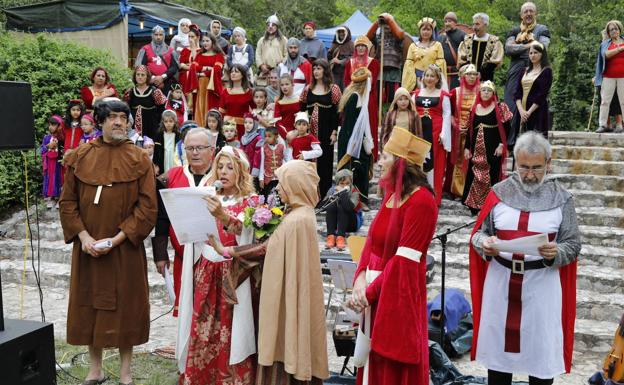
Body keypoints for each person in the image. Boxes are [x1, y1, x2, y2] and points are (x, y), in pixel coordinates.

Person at [469, 131, 580, 385]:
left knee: (541, 358)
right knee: (498, 360)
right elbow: (479, 234)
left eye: (537, 168)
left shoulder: (562, 199)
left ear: (548, 163)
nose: (529, 175)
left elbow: (573, 244)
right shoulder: (498, 193)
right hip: (500, 285)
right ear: (515, 163)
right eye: (524, 167)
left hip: (542, 286)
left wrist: (557, 252)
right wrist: (484, 244)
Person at [59, 98, 157, 385]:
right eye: (112, 117)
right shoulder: (80, 156)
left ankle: (126, 373)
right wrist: (85, 237)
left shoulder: (139, 159)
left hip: (124, 248)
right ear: (100, 122)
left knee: (127, 307)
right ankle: (95, 369)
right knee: (91, 305)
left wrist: (118, 238)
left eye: (122, 118)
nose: (118, 122)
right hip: (88, 249)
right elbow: (67, 203)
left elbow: (148, 207)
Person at [347, 126, 437, 385]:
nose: (379, 161)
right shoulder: (391, 195)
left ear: (401, 162)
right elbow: (371, 243)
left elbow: (404, 262)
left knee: (390, 364)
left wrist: (369, 292)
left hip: (396, 292)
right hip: (374, 289)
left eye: (385, 156)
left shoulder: (422, 202)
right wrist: (360, 278)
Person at [181, 146, 258, 384]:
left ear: (241, 172)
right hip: (207, 267)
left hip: (232, 272)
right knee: (204, 323)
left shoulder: (250, 200)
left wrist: (224, 216)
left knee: (230, 324)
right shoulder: (209, 195)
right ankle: (201, 375)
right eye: (220, 167)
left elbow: (246, 234)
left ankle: (228, 377)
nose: (223, 172)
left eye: (230, 168)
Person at [254, 160, 329, 384]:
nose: (277, 189)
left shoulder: (296, 221)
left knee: (287, 332)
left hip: (287, 295)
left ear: (295, 185)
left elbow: (266, 251)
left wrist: (231, 251)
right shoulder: (301, 214)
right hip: (292, 291)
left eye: (282, 184)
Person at [151, 127, 215, 319]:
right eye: (190, 148)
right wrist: (160, 254)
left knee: (213, 310)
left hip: (215, 258)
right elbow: (162, 217)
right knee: (187, 311)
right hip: (183, 256)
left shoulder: (222, 176)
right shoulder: (171, 177)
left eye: (200, 148)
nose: (194, 153)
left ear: (211, 149)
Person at [462, 81, 512, 214]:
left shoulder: (500, 107)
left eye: (488, 91)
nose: (485, 93)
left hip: (492, 150)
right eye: (483, 90)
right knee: (474, 175)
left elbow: (507, 127)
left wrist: (502, 145)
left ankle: (489, 206)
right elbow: (469, 130)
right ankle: (473, 207)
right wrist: (467, 147)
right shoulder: (474, 108)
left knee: (491, 175)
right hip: (476, 151)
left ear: (493, 93)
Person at [300, 59, 342, 198]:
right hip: (310, 133)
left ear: (325, 70)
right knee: (309, 163)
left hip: (326, 132)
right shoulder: (307, 89)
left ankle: (324, 195)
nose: (316, 71)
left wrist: (334, 132)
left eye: (319, 68)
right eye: (314, 69)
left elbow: (337, 113)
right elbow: (301, 110)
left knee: (325, 162)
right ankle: (310, 195)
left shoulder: (333, 89)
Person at [412, 64, 451, 206]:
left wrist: (444, 134)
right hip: (419, 131)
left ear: (437, 78)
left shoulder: (443, 95)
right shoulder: (415, 94)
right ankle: (418, 195)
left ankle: (434, 197)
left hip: (436, 132)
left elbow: (447, 115)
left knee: (436, 164)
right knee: (418, 163)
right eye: (427, 75)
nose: (429, 78)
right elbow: (411, 113)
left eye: (432, 76)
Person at [503, 2, 551, 120]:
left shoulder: (542, 29)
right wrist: (529, 45)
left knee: (535, 100)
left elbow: (543, 48)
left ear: (536, 14)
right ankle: (511, 138)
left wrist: (518, 48)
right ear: (521, 15)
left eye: (531, 11)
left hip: (536, 69)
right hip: (516, 68)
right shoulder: (514, 31)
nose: (528, 14)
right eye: (526, 11)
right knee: (511, 103)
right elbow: (508, 49)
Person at [338, 67, 374, 211]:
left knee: (359, 167)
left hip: (354, 137)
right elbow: (351, 123)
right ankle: (358, 201)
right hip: (352, 139)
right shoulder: (355, 97)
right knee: (358, 167)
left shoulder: (353, 95)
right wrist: (354, 144)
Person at [343, 35, 381, 162]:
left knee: (369, 124)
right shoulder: (350, 63)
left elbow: (372, 81)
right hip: (352, 97)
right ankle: (352, 151)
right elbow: (346, 81)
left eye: (363, 46)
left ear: (367, 48)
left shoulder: (374, 63)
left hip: (368, 97)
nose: (360, 48)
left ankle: (370, 154)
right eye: (358, 46)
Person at [447, 64, 480, 198]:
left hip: (474, 132)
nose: (472, 77)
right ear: (463, 76)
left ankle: (470, 189)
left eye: (474, 74)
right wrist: (456, 125)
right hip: (458, 132)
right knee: (458, 160)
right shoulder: (455, 92)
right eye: (469, 74)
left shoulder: (481, 91)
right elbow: (448, 113)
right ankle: (456, 190)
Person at [366, 13, 412, 103]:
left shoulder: (397, 38)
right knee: (378, 97)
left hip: (394, 70)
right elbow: (368, 36)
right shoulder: (378, 38)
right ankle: (380, 114)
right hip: (380, 70)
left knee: (392, 96)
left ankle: (391, 113)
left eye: (388, 25)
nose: (386, 26)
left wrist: (390, 20)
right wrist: (377, 23)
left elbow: (400, 35)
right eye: (384, 24)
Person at [511, 42, 553, 141]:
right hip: (521, 112)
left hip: (537, 111)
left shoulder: (546, 71)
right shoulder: (523, 71)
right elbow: (517, 92)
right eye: (530, 53)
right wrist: (521, 111)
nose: (532, 55)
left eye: (536, 53)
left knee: (536, 142)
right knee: (521, 141)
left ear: (542, 54)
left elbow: (541, 94)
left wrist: (528, 112)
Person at [402, 17, 447, 92]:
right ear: (420, 31)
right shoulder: (413, 46)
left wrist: (431, 76)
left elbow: (440, 63)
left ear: (432, 31)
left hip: (432, 79)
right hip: (416, 79)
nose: (426, 32)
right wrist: (415, 80)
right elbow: (409, 65)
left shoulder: (437, 45)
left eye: (428, 29)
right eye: (423, 29)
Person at [123, 65, 167, 140]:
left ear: (147, 77)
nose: (140, 77)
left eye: (143, 75)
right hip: (133, 127)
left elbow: (162, 109)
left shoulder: (155, 92)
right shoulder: (130, 92)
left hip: (151, 126)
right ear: (135, 76)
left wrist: (158, 125)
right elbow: (127, 109)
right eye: (138, 74)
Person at [595, 20, 624, 133]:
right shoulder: (605, 44)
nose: (613, 31)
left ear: (619, 29)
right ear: (608, 32)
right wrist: (620, 48)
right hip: (608, 76)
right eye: (611, 30)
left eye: (615, 28)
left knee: (623, 101)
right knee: (605, 101)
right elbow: (605, 55)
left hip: (623, 77)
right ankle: (602, 125)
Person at [457, 13, 504, 82]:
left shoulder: (494, 41)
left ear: (485, 25)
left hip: (486, 80)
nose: (474, 27)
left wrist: (481, 74)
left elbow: (494, 62)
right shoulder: (467, 40)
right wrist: (470, 74)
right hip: (467, 80)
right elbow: (462, 59)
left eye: (477, 24)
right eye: (473, 24)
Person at [323, 169, 362, 250]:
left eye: (347, 183)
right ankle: (331, 236)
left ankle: (341, 237)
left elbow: (348, 208)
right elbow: (323, 206)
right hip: (337, 223)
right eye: (342, 184)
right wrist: (331, 197)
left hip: (352, 223)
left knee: (342, 206)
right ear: (337, 183)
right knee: (331, 205)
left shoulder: (355, 192)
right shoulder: (332, 190)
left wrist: (342, 193)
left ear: (351, 182)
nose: (344, 186)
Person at [135, 25, 179, 94]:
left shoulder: (170, 50)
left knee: (165, 103)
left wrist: (162, 77)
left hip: (166, 83)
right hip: (149, 83)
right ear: (152, 35)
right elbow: (141, 66)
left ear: (164, 36)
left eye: (160, 35)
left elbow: (174, 67)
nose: (158, 37)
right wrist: (153, 78)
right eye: (156, 35)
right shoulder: (145, 49)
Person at [194, 32, 225, 127]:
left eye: (207, 41)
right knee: (200, 107)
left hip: (212, 86)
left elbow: (217, 70)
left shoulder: (218, 55)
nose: (205, 43)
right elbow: (193, 68)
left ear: (213, 42)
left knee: (211, 107)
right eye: (203, 41)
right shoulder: (199, 54)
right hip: (200, 85)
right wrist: (208, 68)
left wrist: (202, 71)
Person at [219, 64, 254, 139]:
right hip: (228, 128)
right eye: (231, 72)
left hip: (244, 128)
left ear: (242, 75)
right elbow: (221, 112)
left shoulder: (249, 92)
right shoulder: (225, 92)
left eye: (236, 72)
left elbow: (256, 110)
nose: (233, 73)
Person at [258, 126, 291, 197]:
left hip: (279, 178)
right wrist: (261, 179)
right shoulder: (263, 148)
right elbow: (262, 164)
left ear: (276, 137)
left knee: (281, 197)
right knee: (269, 198)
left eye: (269, 136)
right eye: (265, 136)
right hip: (268, 178)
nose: (266, 138)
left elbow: (286, 160)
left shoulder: (282, 147)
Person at [438, 12, 466, 89]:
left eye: (450, 21)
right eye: (445, 22)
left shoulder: (462, 35)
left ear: (455, 23)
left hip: (457, 74)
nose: (447, 24)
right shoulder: (440, 37)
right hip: (443, 74)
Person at [41, 115, 64, 208]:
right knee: (50, 179)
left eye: (53, 124)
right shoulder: (46, 138)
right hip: (50, 162)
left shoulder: (62, 138)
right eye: (49, 124)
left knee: (59, 179)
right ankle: (51, 198)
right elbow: (41, 150)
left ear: (59, 126)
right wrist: (47, 146)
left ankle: (60, 198)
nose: (50, 127)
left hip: (59, 163)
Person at [153, 109, 181, 175]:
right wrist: (156, 165)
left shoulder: (178, 134)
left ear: (175, 122)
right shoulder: (159, 134)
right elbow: (156, 150)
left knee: (174, 175)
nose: (168, 124)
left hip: (174, 158)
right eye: (166, 121)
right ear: (163, 122)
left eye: (171, 121)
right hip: (163, 159)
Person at [273, 73, 300, 139]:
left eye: (287, 84)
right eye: (282, 85)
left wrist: (297, 131)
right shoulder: (279, 102)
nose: (284, 87)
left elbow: (303, 117)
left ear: (292, 85)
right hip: (284, 136)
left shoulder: (299, 100)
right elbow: (277, 121)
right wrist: (286, 135)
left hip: (299, 133)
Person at [240, 112, 263, 180]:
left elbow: (257, 156)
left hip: (252, 171)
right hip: (243, 169)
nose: (247, 125)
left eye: (250, 123)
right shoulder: (242, 138)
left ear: (255, 124)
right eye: (245, 122)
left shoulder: (258, 138)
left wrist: (254, 172)